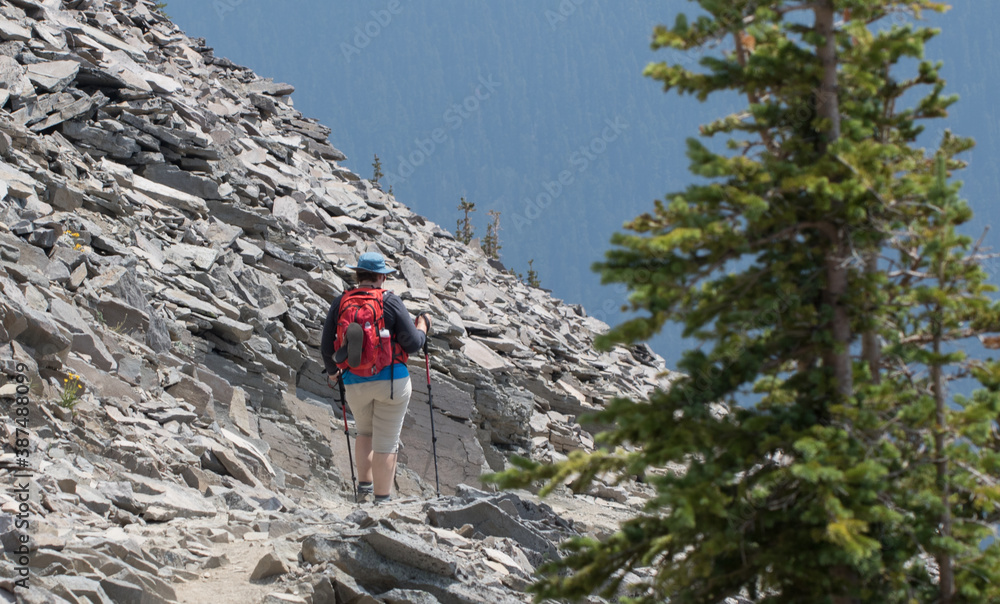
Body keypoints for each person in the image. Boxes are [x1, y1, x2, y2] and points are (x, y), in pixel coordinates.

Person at [320, 252, 430, 504]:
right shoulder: (389, 301)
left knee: (365, 433)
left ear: (358, 275)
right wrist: (423, 327)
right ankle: (381, 503)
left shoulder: (340, 302)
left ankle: (364, 489)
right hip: (391, 382)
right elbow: (412, 343)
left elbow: (327, 347)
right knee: (387, 442)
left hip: (354, 380)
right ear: (381, 276)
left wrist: (332, 372)